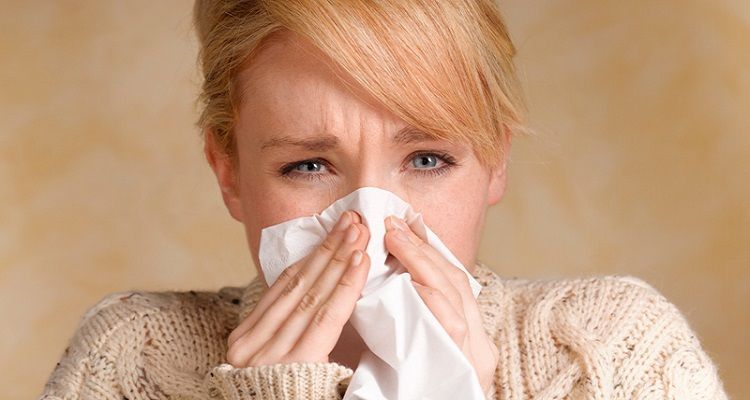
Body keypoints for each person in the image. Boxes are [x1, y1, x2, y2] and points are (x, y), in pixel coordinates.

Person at [39, 1, 729, 399]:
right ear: (228, 174)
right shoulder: (133, 361)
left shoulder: (610, 350)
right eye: (308, 164)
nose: (368, 222)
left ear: (495, 162)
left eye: (427, 159)